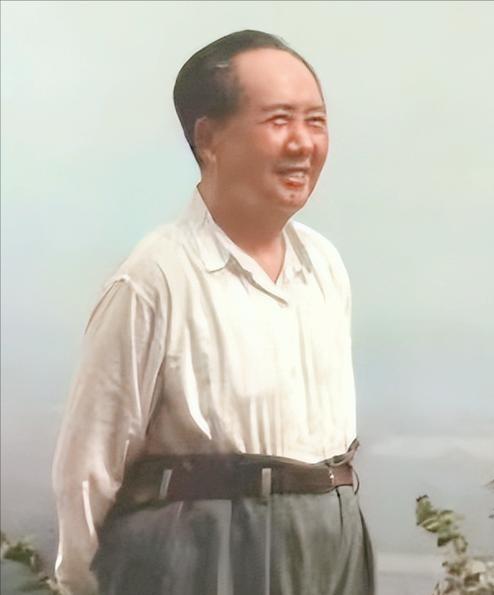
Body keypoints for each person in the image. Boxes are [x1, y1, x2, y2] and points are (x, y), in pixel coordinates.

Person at [52, 30, 375, 595]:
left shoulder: (324, 265)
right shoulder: (154, 278)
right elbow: (88, 471)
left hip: (332, 541)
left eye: (316, 121)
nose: (303, 143)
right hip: (206, 551)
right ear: (209, 138)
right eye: (279, 120)